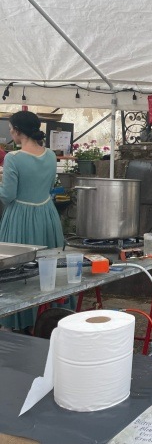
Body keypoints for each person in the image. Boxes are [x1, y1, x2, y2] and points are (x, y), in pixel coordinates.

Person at [0, 111, 66, 332]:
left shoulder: (13, 158)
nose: (10, 132)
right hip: (46, 215)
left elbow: (7, 195)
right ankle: (48, 318)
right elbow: (47, 186)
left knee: (18, 272)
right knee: (46, 269)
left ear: (18, 131)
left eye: (11, 129)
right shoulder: (50, 155)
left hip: (20, 217)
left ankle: (19, 321)